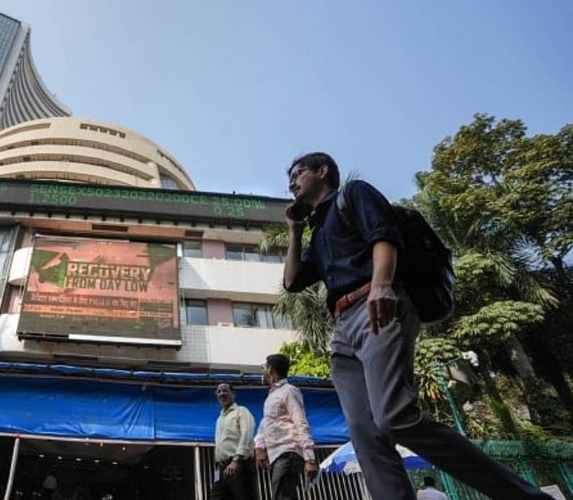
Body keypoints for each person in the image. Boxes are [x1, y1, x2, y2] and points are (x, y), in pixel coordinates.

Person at [281, 152, 551, 500]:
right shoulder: (317, 232)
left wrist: (381, 284)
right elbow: (291, 281)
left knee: (394, 417)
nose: (291, 181)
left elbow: (384, 234)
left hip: (375, 305)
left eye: (298, 172)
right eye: (289, 177)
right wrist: (295, 230)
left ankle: (524, 495)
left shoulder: (354, 194)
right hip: (342, 329)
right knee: (365, 433)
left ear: (323, 170)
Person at [254, 354, 318, 500]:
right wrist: (259, 447)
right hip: (276, 455)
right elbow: (265, 424)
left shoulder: (289, 391)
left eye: (264, 367)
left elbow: (300, 422)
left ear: (270, 370)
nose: (262, 371)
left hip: (288, 452)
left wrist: (310, 459)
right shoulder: (272, 395)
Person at [211, 383, 256, 500]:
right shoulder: (219, 418)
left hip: (239, 464)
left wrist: (237, 460)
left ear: (233, 394)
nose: (222, 394)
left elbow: (247, 435)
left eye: (225, 391)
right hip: (222, 468)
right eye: (219, 392)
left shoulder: (241, 411)